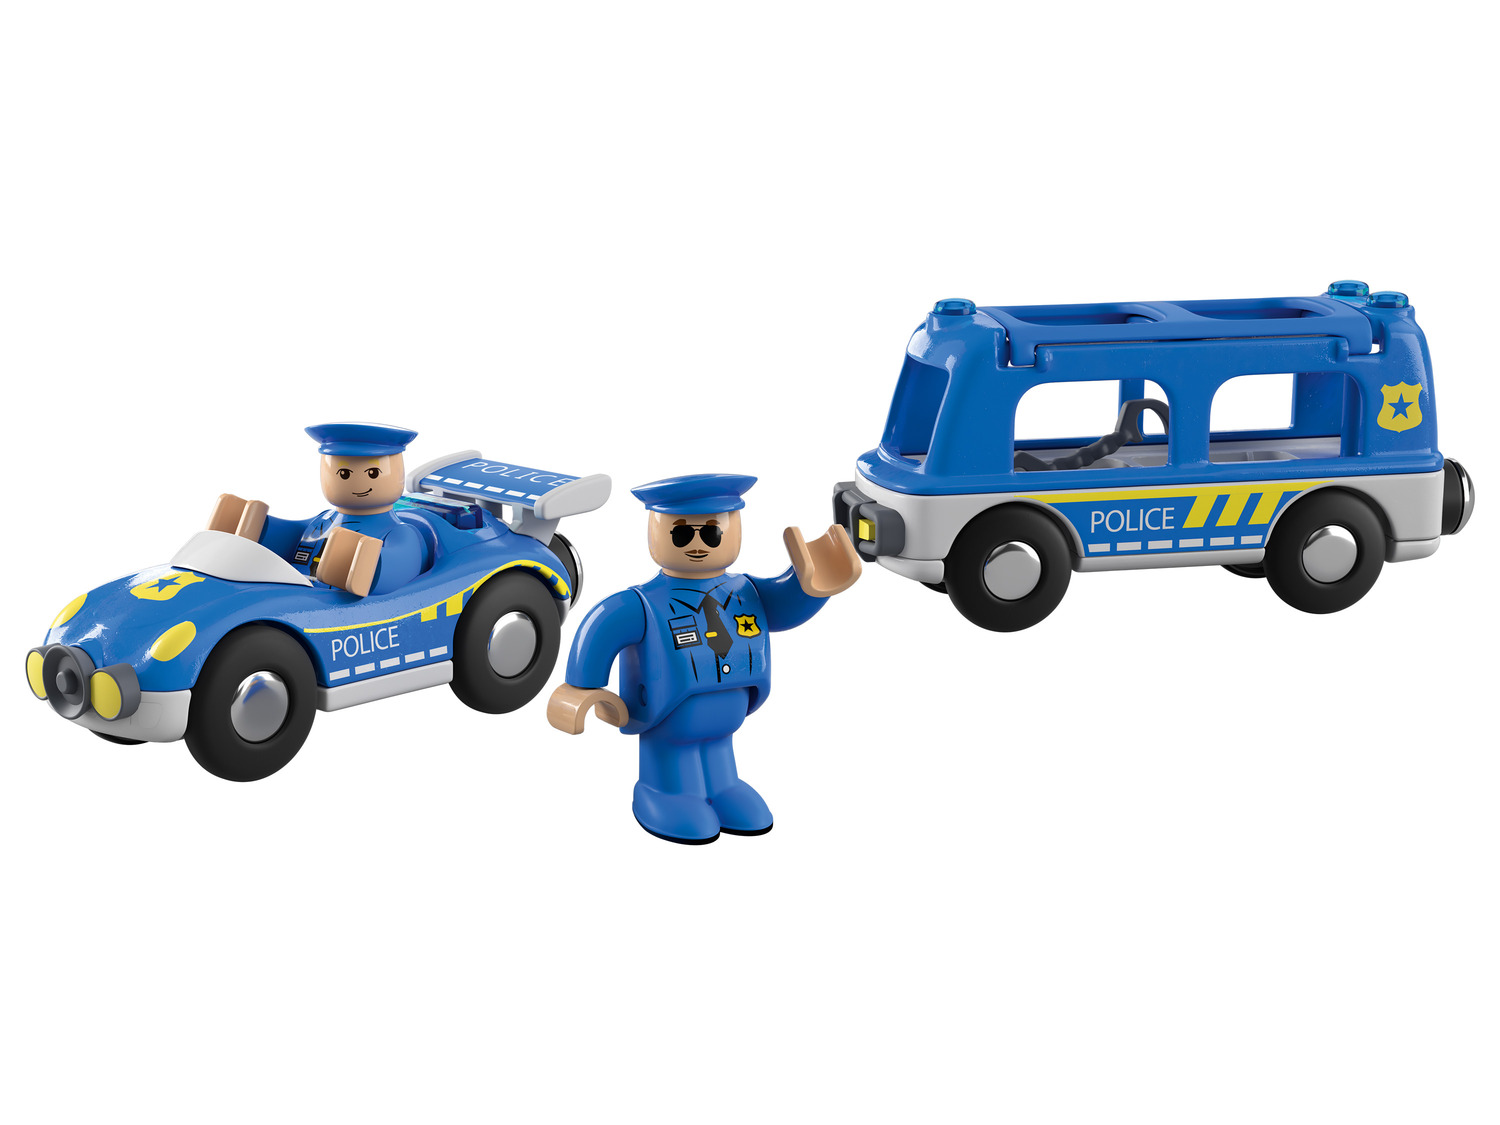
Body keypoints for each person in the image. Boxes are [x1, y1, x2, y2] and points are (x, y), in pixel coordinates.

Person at [547, 473, 861, 844]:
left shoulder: (747, 591)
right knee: (675, 759)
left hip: (728, 714)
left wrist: (813, 581)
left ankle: (723, 788)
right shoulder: (644, 602)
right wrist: (582, 686)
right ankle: (663, 792)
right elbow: (600, 627)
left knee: (718, 751)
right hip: (667, 718)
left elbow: (785, 604)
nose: (698, 544)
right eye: (682, 534)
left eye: (711, 533)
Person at [207, 423, 426, 597]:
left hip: (334, 610)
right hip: (295, 596)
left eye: (372, 474)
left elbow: (398, 567)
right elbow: (293, 535)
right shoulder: (323, 521)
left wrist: (361, 561)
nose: (357, 483)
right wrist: (256, 527)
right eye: (344, 474)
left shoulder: (401, 533)